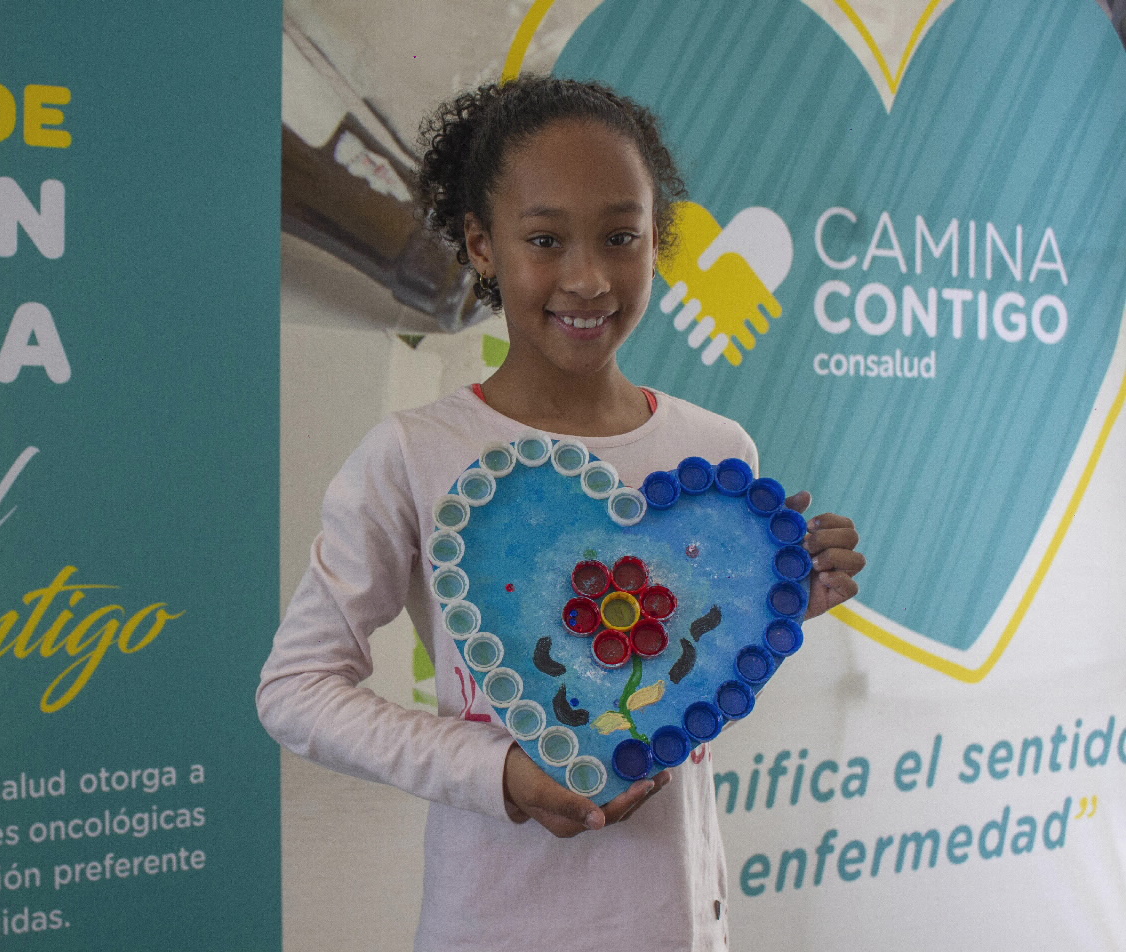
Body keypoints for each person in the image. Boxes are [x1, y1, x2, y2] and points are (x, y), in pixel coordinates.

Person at [258, 75, 865, 951]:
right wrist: (497, 771)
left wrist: (766, 613)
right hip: (494, 926)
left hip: (676, 923)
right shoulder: (416, 453)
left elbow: (681, 700)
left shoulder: (716, 453)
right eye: (545, 239)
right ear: (482, 245)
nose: (588, 278)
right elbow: (296, 690)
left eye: (621, 236)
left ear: (657, 240)